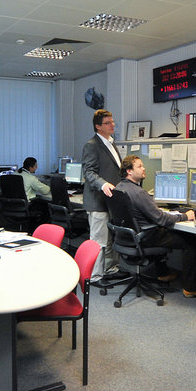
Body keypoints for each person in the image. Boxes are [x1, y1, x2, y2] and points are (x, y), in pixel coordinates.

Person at [115, 156, 196, 298]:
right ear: (129, 171)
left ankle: (162, 273)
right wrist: (186, 216)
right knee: (190, 241)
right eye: (140, 166)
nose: (144, 169)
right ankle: (191, 288)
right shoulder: (139, 193)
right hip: (144, 237)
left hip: (127, 236)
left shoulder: (119, 187)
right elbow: (161, 218)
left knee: (164, 231)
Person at [81, 109, 123, 286]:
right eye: (108, 123)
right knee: (98, 241)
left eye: (112, 121)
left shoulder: (111, 143)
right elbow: (89, 171)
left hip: (111, 201)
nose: (112, 125)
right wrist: (103, 184)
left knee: (109, 239)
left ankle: (110, 269)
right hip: (98, 200)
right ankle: (96, 276)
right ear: (98, 126)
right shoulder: (92, 144)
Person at [19, 156, 51, 228]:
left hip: (14, 205)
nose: (36, 167)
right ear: (31, 167)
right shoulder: (31, 178)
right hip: (27, 205)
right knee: (47, 207)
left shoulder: (15, 174)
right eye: (35, 166)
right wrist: (50, 186)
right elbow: (45, 191)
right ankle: (38, 230)